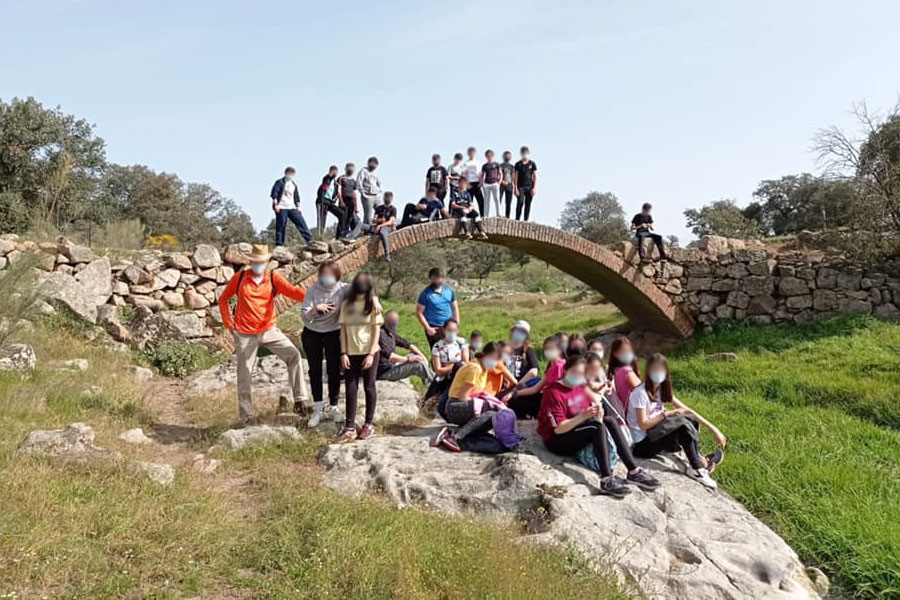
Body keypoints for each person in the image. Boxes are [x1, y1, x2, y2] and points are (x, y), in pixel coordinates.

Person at [538, 356, 661, 497]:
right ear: (565, 370)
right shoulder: (553, 392)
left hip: (576, 427)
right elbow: (558, 429)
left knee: (610, 421)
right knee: (597, 428)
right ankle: (606, 479)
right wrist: (583, 417)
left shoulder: (579, 386)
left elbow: (592, 404)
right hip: (557, 439)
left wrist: (596, 414)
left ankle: (633, 471)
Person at [218, 244, 308, 426]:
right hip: (244, 333)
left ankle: (300, 400)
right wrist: (229, 324)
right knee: (245, 375)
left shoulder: (273, 278)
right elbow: (223, 300)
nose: (258, 264)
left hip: (269, 330)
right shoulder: (241, 277)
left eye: (262, 262)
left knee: (293, 355)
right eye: (255, 262)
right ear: (251, 262)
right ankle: (246, 417)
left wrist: (316, 298)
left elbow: (294, 292)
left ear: (267, 262)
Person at [628, 354, 726, 489]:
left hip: (657, 434)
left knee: (689, 418)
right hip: (643, 445)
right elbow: (643, 424)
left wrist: (714, 429)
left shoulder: (661, 390)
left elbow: (688, 411)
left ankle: (699, 459)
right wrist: (667, 414)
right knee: (682, 424)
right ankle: (697, 468)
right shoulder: (640, 393)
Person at [434, 342, 513, 453]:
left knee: (493, 414)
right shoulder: (475, 369)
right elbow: (463, 397)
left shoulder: (483, 369)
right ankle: (456, 437)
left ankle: (455, 433)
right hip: (455, 406)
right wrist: (483, 404)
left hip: (462, 405)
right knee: (492, 414)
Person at [300, 261, 348, 427]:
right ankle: (318, 408)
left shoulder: (343, 288)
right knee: (315, 370)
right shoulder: (312, 290)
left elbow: (365, 288)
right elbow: (304, 316)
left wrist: (375, 300)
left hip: (333, 333)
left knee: (334, 369)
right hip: (312, 333)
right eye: (324, 275)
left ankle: (334, 407)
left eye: (330, 275)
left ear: (336, 275)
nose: (327, 278)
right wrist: (315, 309)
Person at [338, 272, 384, 442]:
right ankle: (349, 426)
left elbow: (376, 331)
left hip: (369, 352)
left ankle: (368, 424)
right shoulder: (346, 305)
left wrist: (371, 354)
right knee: (350, 389)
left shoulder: (373, 305)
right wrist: (343, 353)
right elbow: (342, 330)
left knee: (369, 387)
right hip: (350, 353)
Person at [505, 336, 563, 419]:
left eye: (551, 349)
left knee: (513, 403)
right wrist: (514, 393)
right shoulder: (553, 367)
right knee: (516, 398)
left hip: (552, 405)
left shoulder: (560, 367)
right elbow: (535, 388)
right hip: (545, 398)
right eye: (546, 349)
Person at [377, 310, 434, 385]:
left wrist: (422, 356)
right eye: (392, 324)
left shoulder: (391, 333)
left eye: (395, 323)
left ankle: (430, 384)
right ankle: (437, 384)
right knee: (417, 365)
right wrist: (408, 359)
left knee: (417, 357)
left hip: (392, 365)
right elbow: (390, 356)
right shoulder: (381, 334)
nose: (394, 326)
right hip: (385, 371)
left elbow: (407, 344)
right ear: (386, 321)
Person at [416, 267, 460, 348]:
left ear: (443, 279)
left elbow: (455, 308)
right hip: (434, 328)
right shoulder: (425, 294)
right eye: (434, 278)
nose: (437, 281)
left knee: (453, 350)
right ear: (430, 279)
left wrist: (456, 324)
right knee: (437, 352)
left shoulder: (449, 291)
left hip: (449, 326)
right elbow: (419, 313)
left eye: (439, 278)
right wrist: (428, 328)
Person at [271, 167, 314, 246]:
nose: (290, 176)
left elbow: (296, 196)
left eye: (292, 174)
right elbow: (275, 194)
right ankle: (279, 244)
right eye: (289, 174)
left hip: (292, 207)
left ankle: (309, 240)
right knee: (281, 225)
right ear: (286, 173)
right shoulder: (280, 182)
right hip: (282, 207)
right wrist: (275, 204)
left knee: (301, 222)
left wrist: (298, 207)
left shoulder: (293, 184)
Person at [607, 337, 640, 419]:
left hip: (629, 414)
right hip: (637, 414)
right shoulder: (626, 371)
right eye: (623, 351)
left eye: (629, 351)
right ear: (615, 354)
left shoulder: (616, 371)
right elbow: (644, 393)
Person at [360, 191, 397, 262]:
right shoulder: (379, 208)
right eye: (386, 197)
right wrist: (379, 220)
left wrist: (380, 225)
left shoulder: (393, 209)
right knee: (361, 225)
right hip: (376, 227)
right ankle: (351, 238)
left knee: (383, 232)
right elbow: (374, 220)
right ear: (383, 198)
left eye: (389, 198)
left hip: (387, 228)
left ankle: (387, 254)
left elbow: (391, 221)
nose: (387, 199)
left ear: (391, 199)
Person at [430, 318, 469, 382]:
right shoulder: (437, 347)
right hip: (444, 379)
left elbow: (465, 362)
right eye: (449, 330)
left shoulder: (462, 342)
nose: (452, 332)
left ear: (458, 330)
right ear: (444, 330)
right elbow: (438, 371)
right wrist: (456, 365)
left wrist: (447, 366)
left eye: (454, 330)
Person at [315, 165, 343, 236]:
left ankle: (339, 235)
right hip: (322, 201)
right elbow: (326, 183)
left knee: (342, 214)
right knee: (322, 219)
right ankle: (320, 236)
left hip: (330, 202)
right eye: (333, 172)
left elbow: (337, 192)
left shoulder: (335, 183)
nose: (335, 174)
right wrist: (330, 176)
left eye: (336, 172)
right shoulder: (326, 178)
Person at [513, 146, 538, 221]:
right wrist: (515, 188)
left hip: (530, 186)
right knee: (520, 202)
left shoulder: (532, 164)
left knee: (528, 203)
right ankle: (517, 219)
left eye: (526, 153)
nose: (525, 155)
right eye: (523, 153)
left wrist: (534, 188)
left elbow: (535, 176)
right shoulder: (518, 164)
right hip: (520, 186)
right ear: (521, 154)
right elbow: (515, 176)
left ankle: (526, 220)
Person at [337, 163, 360, 240]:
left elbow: (356, 194)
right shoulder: (341, 178)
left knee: (350, 218)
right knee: (343, 217)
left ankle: (349, 234)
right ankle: (340, 234)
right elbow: (339, 190)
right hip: (344, 200)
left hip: (352, 202)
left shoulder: (353, 181)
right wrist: (341, 201)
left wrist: (357, 206)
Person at [357, 156, 382, 225]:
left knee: (381, 211)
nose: (374, 166)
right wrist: (362, 193)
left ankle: (379, 226)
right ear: (368, 163)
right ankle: (367, 230)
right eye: (372, 164)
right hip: (367, 195)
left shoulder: (375, 173)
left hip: (376, 195)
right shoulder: (363, 171)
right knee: (368, 216)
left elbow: (379, 183)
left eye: (375, 165)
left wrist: (379, 192)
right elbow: (359, 182)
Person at [463, 146, 485, 215]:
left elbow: (481, 173)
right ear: (468, 154)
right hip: (469, 183)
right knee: (469, 201)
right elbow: (464, 174)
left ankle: (482, 215)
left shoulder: (478, 162)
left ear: (475, 153)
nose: (471, 154)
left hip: (477, 182)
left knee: (481, 200)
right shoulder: (466, 163)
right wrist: (467, 183)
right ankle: (470, 215)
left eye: (472, 153)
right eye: (470, 153)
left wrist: (481, 182)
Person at [481, 149, 502, 218]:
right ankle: (486, 215)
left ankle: (498, 214)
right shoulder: (484, 166)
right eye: (487, 156)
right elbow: (482, 175)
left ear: (492, 156)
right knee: (486, 200)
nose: (489, 157)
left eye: (490, 155)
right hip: (487, 184)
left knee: (497, 199)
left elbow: (500, 174)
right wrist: (482, 183)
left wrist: (499, 182)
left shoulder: (496, 164)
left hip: (495, 183)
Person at [499, 151, 516, 218]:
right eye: (506, 156)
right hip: (501, 184)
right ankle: (498, 214)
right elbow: (498, 174)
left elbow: (513, 175)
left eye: (508, 156)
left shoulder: (512, 166)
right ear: (503, 157)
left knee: (508, 202)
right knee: (499, 200)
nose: (507, 157)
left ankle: (507, 216)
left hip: (509, 185)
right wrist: (502, 181)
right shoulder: (500, 165)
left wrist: (512, 182)